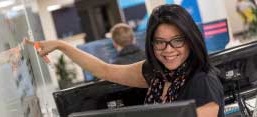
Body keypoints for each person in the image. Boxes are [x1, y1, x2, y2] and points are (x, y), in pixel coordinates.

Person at [25, 4, 224, 117]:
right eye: (160, 42)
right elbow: (104, 70)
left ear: (190, 40)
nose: (168, 50)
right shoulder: (156, 73)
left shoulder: (203, 80)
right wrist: (62, 46)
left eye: (177, 41)